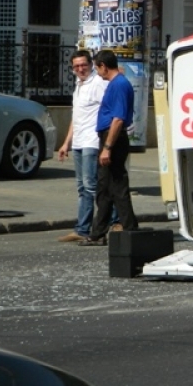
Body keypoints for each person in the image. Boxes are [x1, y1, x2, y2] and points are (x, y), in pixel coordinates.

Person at [56, 50, 119, 243]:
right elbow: (76, 118)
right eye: (76, 66)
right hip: (79, 142)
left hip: (93, 141)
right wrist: (66, 143)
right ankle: (83, 228)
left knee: (93, 186)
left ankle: (111, 222)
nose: (80, 69)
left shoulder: (98, 83)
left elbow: (109, 110)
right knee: (83, 187)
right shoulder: (78, 85)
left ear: (91, 64)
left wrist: (107, 143)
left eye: (83, 65)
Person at [79, 50, 139, 246]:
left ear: (104, 66)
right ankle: (98, 232)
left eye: (97, 67)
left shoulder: (119, 85)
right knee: (104, 188)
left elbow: (118, 119)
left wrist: (107, 147)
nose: (97, 72)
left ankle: (130, 228)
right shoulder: (116, 83)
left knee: (117, 185)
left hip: (113, 138)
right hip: (108, 137)